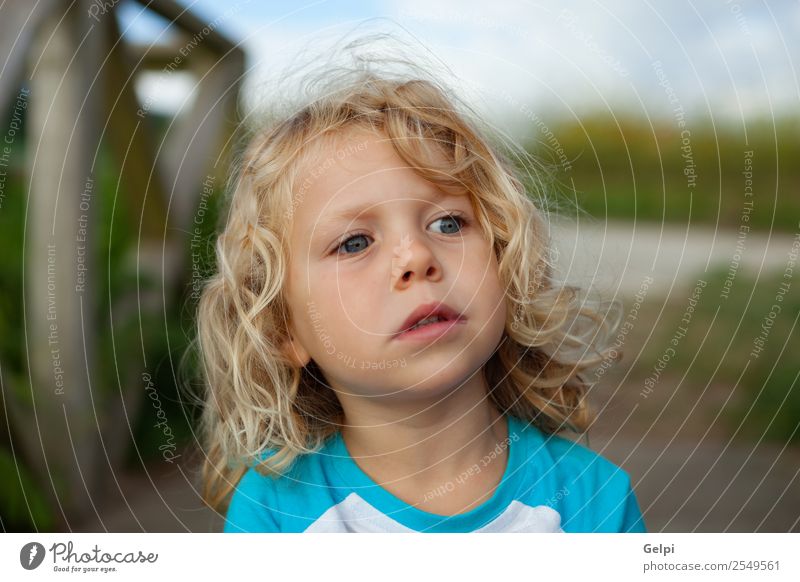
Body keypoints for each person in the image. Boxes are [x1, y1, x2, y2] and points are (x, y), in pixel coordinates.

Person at [194, 46, 646, 533]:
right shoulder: (273, 513)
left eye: (448, 223)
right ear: (285, 330)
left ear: (505, 262)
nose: (416, 257)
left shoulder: (592, 500)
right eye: (355, 242)